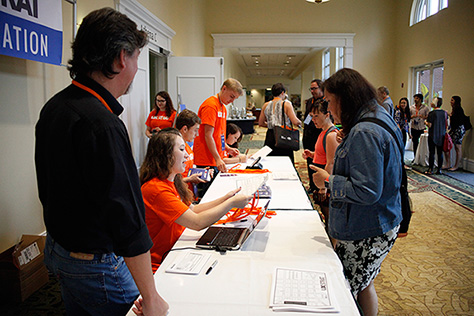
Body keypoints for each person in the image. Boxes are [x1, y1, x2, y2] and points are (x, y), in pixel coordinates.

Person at [34, 8, 168, 316]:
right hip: (96, 264)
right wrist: (151, 298)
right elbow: (127, 219)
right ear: (122, 58)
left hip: (60, 251)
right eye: (136, 58)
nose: (136, 67)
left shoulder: (55, 106)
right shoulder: (102, 123)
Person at [311, 68, 402, 316]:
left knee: (346, 291)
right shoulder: (377, 116)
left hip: (367, 226)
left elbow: (367, 190)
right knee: (364, 283)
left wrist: (328, 181)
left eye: (329, 101)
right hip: (381, 219)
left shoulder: (365, 131)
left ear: (344, 97)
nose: (328, 109)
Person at [140, 128, 252, 272]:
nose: (187, 155)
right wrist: (231, 203)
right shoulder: (157, 189)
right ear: (165, 155)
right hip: (162, 262)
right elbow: (197, 222)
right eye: (181, 149)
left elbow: (193, 209)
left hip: (176, 248)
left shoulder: (172, 181)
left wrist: (226, 198)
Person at [193, 78, 243, 178]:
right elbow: (208, 135)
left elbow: (219, 134)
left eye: (235, 99)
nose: (232, 101)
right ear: (224, 89)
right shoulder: (211, 106)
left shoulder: (223, 107)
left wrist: (227, 148)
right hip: (206, 159)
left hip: (215, 158)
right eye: (231, 96)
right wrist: (217, 158)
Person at [301, 100, 338, 225]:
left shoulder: (331, 135)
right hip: (321, 180)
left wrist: (324, 187)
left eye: (316, 116)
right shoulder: (323, 132)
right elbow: (325, 154)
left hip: (326, 183)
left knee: (329, 217)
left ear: (327, 115)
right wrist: (312, 154)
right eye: (312, 116)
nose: (313, 120)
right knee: (324, 212)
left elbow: (331, 162)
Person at [258, 83, 302, 164]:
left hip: (270, 135)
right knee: (285, 161)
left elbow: (260, 123)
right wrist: (301, 122)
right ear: (282, 92)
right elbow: (295, 121)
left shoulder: (265, 105)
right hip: (283, 135)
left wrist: (272, 125)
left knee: (270, 161)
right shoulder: (286, 104)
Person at [175, 109, 207, 195]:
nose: (196, 134)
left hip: (188, 194)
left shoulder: (187, 146)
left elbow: (187, 171)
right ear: (185, 129)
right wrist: (189, 179)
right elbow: (168, 181)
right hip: (178, 195)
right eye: (195, 130)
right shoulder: (172, 149)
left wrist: (201, 172)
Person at [303, 79, 324, 194]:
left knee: (319, 161)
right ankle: (312, 185)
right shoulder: (310, 101)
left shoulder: (324, 102)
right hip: (308, 136)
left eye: (314, 88)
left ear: (321, 88)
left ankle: (319, 186)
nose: (312, 91)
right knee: (309, 161)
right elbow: (307, 118)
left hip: (318, 135)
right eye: (311, 88)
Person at [424, 97, 446, 175]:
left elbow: (429, 125)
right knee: (440, 153)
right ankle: (439, 169)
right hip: (442, 135)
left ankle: (431, 169)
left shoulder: (432, 113)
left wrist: (425, 122)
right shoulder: (444, 113)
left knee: (432, 152)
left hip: (433, 135)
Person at [445, 96, 466, 171]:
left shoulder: (459, 109)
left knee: (458, 147)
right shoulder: (454, 109)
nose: (450, 101)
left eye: (452, 100)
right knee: (447, 145)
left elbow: (458, 121)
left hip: (459, 130)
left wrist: (450, 115)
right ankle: (448, 163)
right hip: (454, 130)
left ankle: (456, 165)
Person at [410, 93, 430, 158]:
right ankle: (415, 157)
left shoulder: (425, 108)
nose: (415, 100)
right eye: (415, 98)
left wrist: (423, 117)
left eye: (417, 98)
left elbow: (428, 117)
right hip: (414, 127)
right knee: (415, 143)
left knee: (422, 144)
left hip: (421, 127)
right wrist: (412, 116)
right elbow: (408, 117)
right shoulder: (411, 107)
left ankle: (422, 158)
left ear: (420, 99)